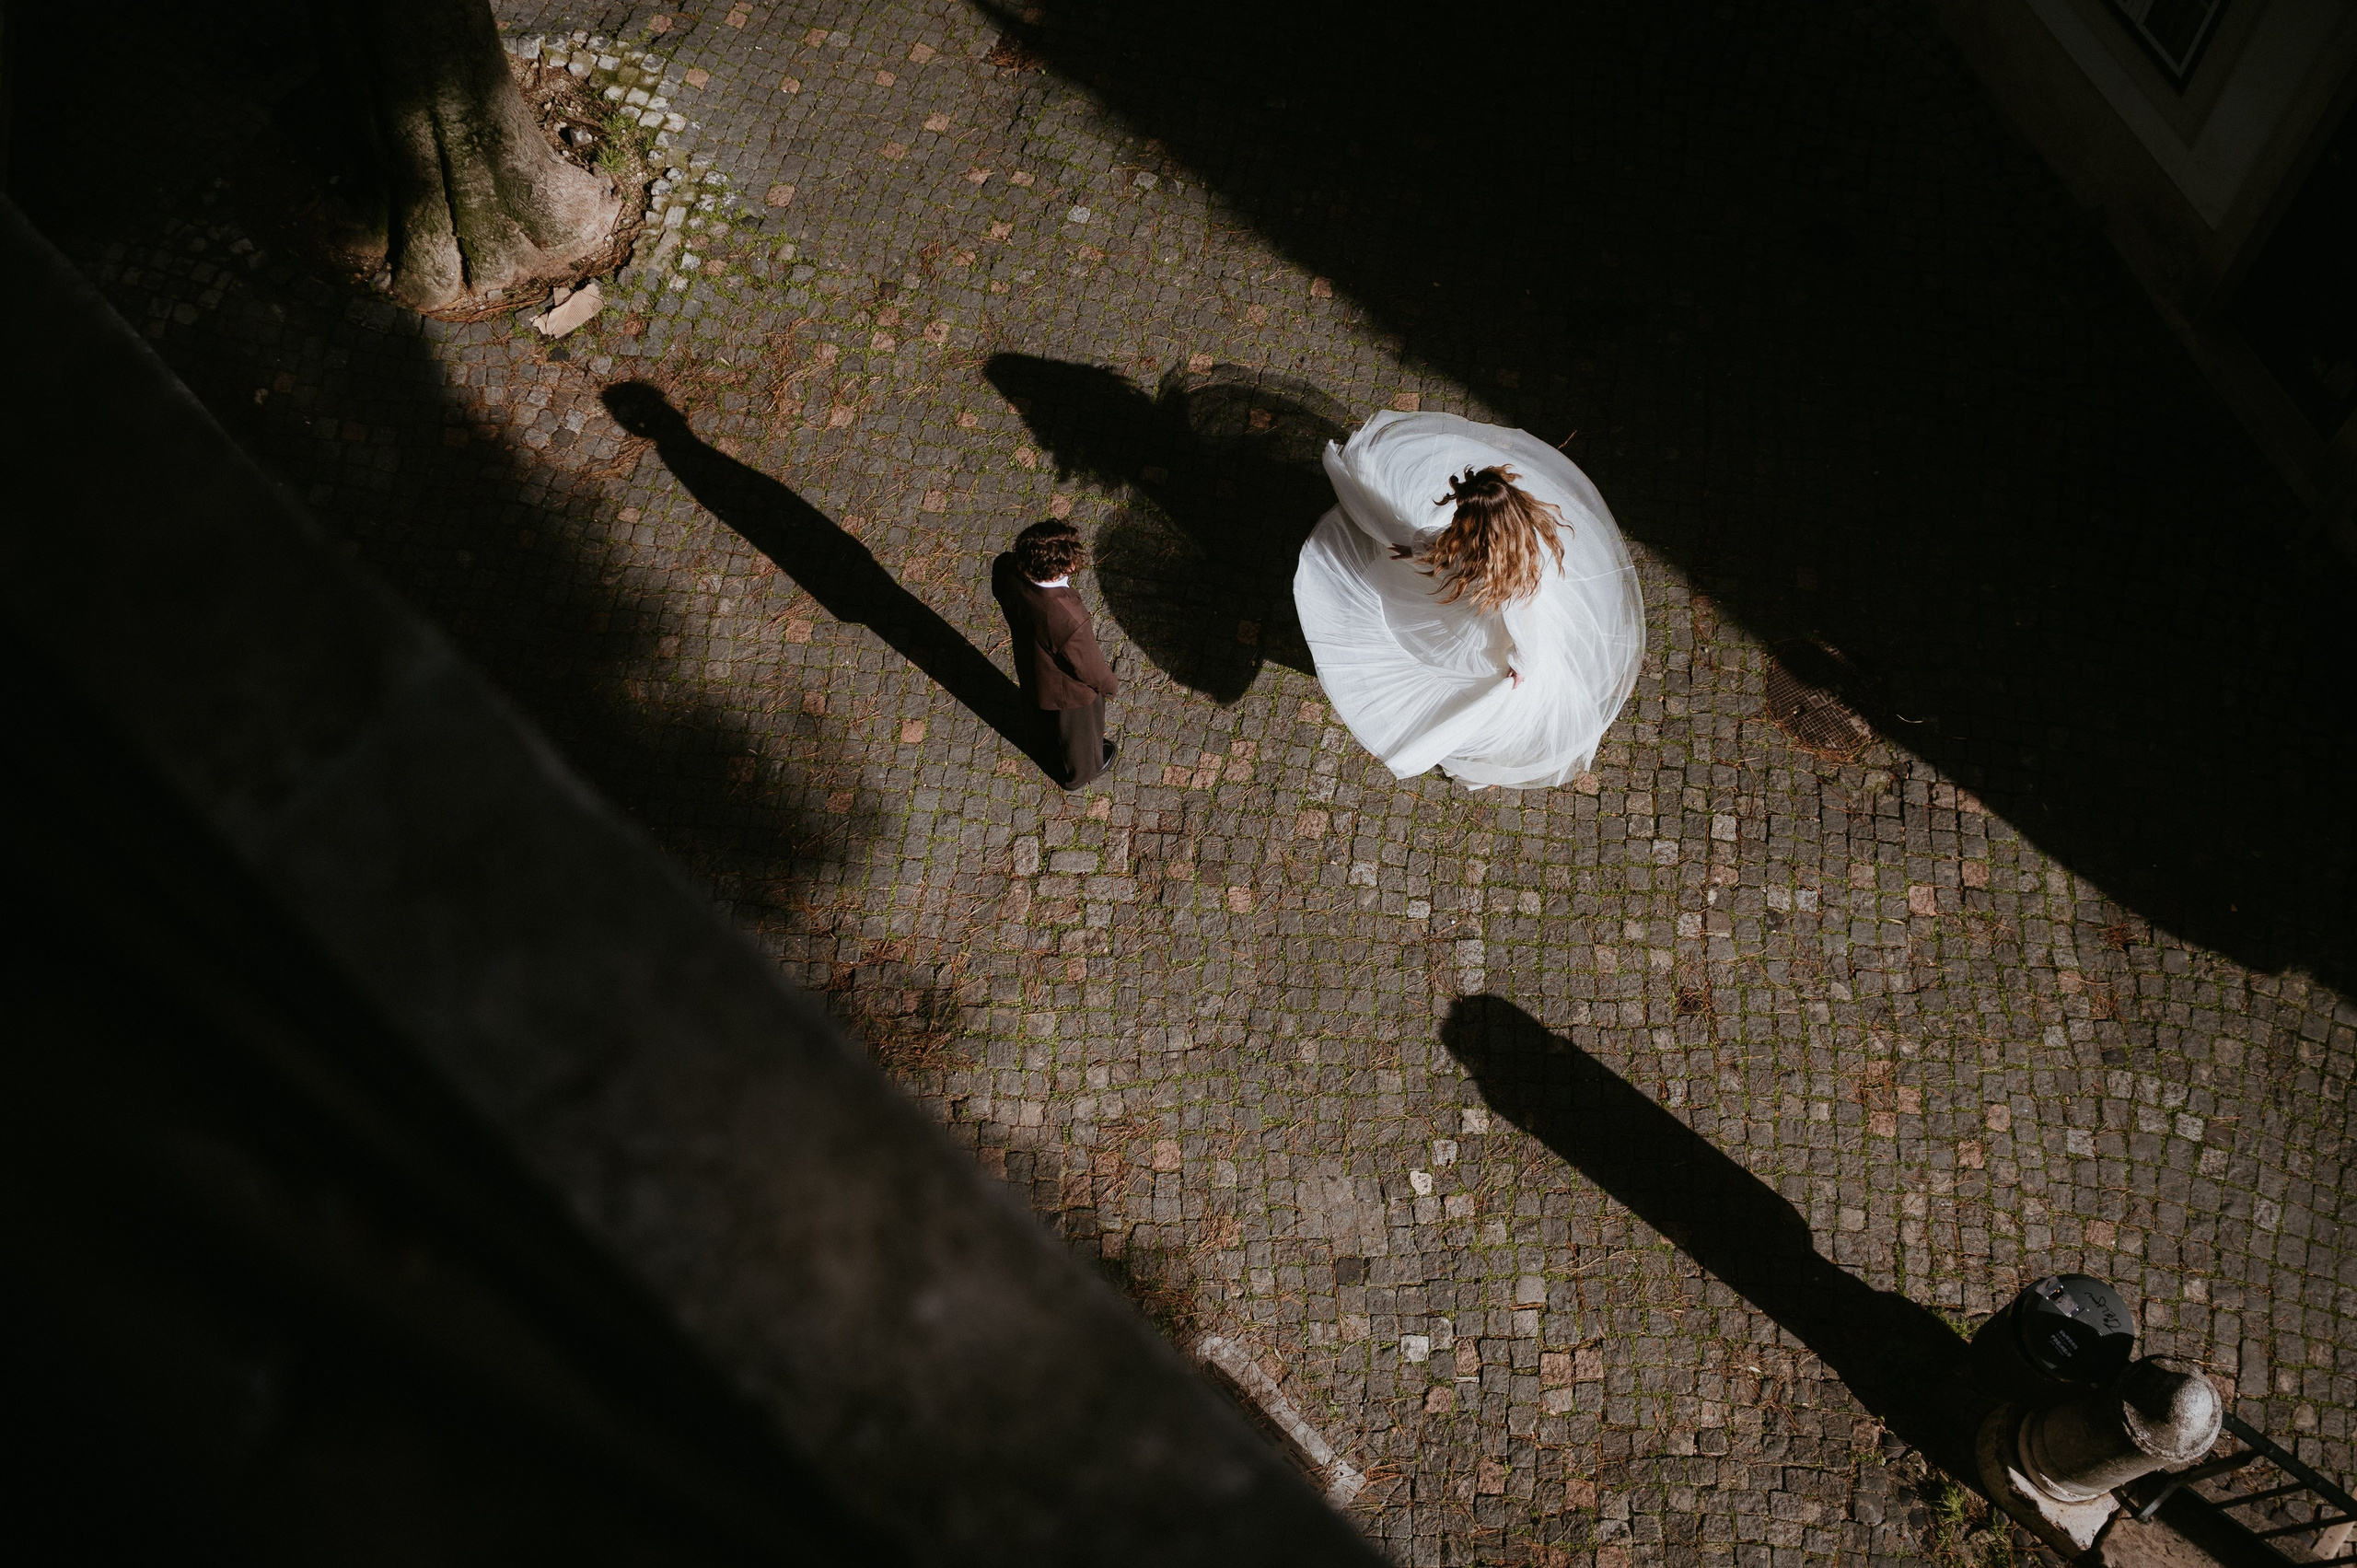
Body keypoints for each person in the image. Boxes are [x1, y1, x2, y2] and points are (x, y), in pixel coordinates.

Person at [1293, 410, 1644, 789]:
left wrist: (1520, 667)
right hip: (1477, 618)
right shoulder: (1515, 540)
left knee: (1455, 667)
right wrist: (1416, 549)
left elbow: (1524, 634)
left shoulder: (1505, 583)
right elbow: (1440, 544)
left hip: (1480, 627)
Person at [993, 519, 1121, 788]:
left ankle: (1042, 743)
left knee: (1039, 713)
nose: (1074, 566)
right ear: (1053, 570)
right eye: (1069, 563)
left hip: (1033, 666)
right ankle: (1079, 775)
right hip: (1068, 691)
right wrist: (1110, 686)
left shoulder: (1007, 567)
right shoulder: (1067, 618)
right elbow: (1088, 666)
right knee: (1079, 735)